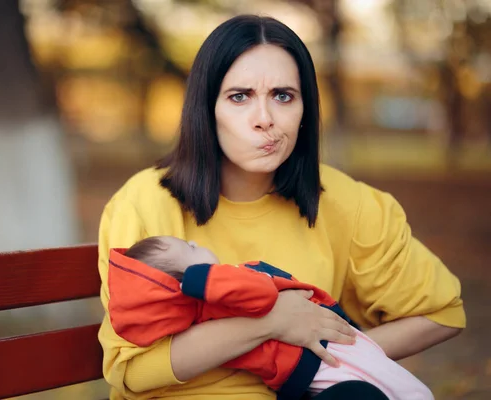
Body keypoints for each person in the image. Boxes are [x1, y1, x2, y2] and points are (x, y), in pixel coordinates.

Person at [96, 14, 465, 400]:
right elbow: (132, 371)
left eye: (283, 96)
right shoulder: (143, 204)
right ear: (206, 109)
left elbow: (442, 314)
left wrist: (328, 358)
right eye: (239, 97)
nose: (265, 120)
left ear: (305, 109)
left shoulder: (348, 203)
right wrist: (272, 322)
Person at [107, 235, 434, 400]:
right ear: (192, 273)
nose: (194, 240)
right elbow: (263, 297)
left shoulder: (208, 304)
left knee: (380, 384)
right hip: (310, 361)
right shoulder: (216, 285)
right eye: (187, 246)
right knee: (388, 387)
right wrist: (203, 278)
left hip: (308, 361)